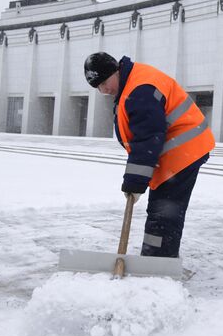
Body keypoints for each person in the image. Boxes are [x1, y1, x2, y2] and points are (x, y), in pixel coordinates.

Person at [84, 52, 215, 258]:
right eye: (98, 88)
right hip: (176, 150)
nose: (103, 90)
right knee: (161, 210)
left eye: (104, 83)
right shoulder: (132, 84)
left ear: (115, 71)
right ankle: (157, 256)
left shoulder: (139, 91)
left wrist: (135, 182)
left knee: (164, 212)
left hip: (184, 151)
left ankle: (158, 261)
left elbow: (146, 139)